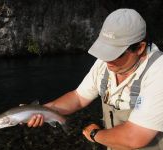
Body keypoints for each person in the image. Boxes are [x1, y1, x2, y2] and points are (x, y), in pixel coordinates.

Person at [27, 9, 163, 150]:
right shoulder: (105, 63)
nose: (106, 59)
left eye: (114, 53)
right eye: (105, 50)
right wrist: (42, 110)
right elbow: (78, 98)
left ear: (140, 48)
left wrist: (94, 134)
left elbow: (134, 137)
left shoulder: (158, 72)